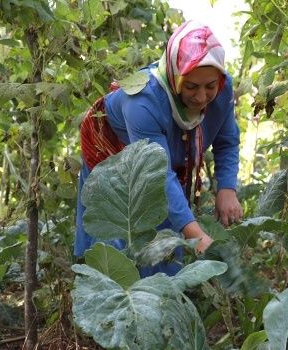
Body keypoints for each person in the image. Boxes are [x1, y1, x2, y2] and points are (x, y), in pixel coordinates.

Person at [74, 20, 243, 276]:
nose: (201, 97)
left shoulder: (222, 88)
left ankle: (163, 300)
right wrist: (196, 236)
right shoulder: (143, 102)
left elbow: (227, 138)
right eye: (191, 86)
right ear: (176, 77)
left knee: (164, 245)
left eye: (210, 86)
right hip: (114, 161)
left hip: (165, 162)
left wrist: (227, 188)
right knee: (117, 251)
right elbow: (160, 176)